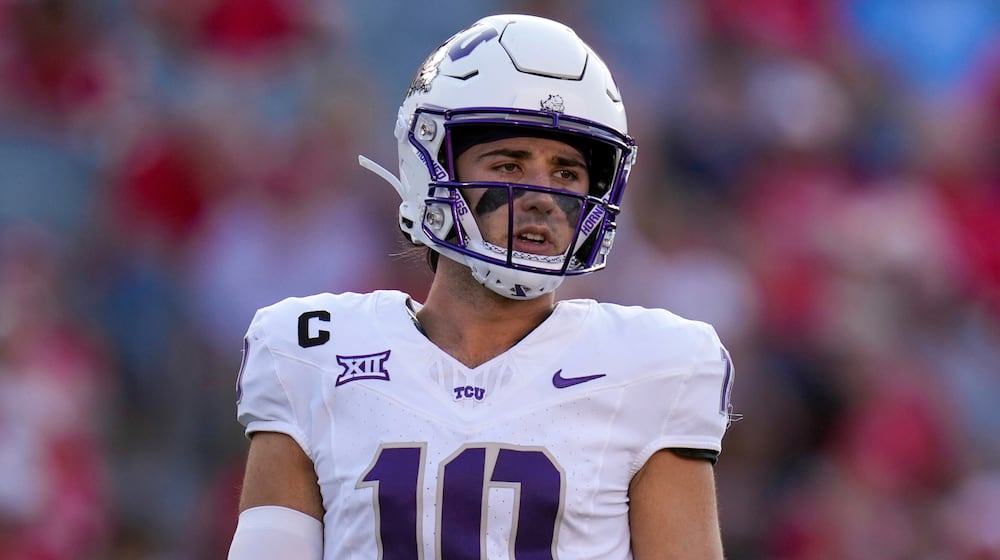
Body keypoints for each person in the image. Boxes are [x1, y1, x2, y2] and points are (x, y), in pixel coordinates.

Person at [227, 13, 735, 560]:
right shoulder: (311, 352)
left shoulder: (653, 365)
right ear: (431, 170)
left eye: (567, 172)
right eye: (510, 164)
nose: (543, 195)